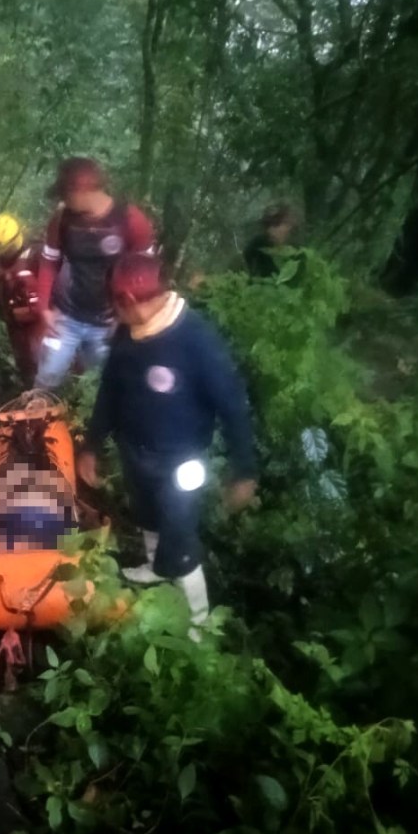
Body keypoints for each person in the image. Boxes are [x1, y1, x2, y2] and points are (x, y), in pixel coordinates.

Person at [77, 252, 257, 638]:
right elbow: (110, 389)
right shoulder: (128, 333)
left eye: (115, 304)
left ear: (128, 301)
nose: (113, 312)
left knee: (179, 534)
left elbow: (232, 404)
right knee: (145, 514)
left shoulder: (195, 340)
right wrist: (91, 444)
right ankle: (155, 569)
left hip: (183, 460)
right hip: (135, 449)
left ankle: (198, 620)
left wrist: (244, 469)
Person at [34, 157, 157, 389]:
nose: (62, 200)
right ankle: (38, 420)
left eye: (65, 194)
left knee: (102, 385)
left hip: (108, 321)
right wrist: (43, 307)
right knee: (45, 381)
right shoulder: (62, 219)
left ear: (81, 191)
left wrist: (124, 318)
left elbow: (146, 275)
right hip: (66, 317)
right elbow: (49, 261)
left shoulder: (130, 221)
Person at [0, 213, 43, 386]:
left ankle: (55, 395)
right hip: (14, 322)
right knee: (25, 361)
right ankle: (31, 392)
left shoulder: (37, 252)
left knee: (45, 359)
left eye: (8, 247)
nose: (6, 252)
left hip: (40, 320)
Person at [243, 202, 299, 278]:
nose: (288, 228)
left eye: (288, 224)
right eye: (268, 225)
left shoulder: (296, 251)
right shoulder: (255, 249)